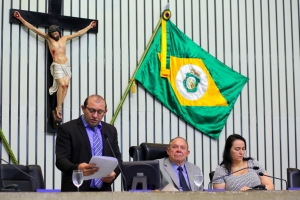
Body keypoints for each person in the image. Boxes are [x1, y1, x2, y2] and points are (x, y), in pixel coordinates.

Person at [14, 11, 96, 121]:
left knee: (66, 85)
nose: (54, 35)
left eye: (55, 33)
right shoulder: (48, 38)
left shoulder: (65, 38)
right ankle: (58, 108)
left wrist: (89, 27)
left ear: (59, 32)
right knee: (62, 85)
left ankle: (59, 107)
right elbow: (33, 29)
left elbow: (78, 33)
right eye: (52, 33)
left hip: (66, 65)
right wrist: (21, 19)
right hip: (57, 65)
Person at [55, 94, 122, 191]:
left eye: (100, 112)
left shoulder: (110, 131)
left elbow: (118, 160)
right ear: (83, 108)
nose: (95, 115)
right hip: (76, 191)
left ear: (105, 112)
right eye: (91, 110)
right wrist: (77, 168)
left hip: (104, 192)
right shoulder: (68, 129)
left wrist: (114, 173)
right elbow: (61, 160)